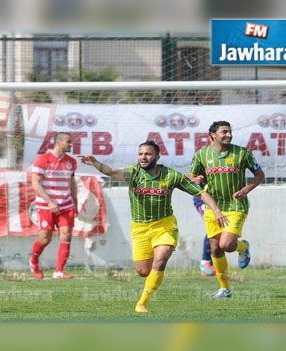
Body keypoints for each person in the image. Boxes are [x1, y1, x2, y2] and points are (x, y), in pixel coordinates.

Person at [80, 141, 227, 313]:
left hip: (164, 225)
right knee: (143, 271)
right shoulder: (133, 173)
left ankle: (142, 303)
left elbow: (200, 192)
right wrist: (96, 163)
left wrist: (216, 211)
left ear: (157, 156)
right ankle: (150, 283)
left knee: (161, 258)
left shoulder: (171, 176)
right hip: (140, 228)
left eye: (148, 154)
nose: (143, 157)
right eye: (141, 154)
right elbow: (111, 172)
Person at [189, 121, 265, 299]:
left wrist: (245, 190)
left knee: (227, 245)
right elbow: (191, 175)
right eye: (224, 132)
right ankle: (225, 289)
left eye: (230, 132)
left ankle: (243, 246)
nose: (228, 135)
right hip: (213, 206)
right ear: (212, 135)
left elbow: (259, 175)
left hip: (236, 206)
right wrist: (196, 178)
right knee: (216, 250)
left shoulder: (243, 153)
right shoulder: (202, 154)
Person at [28, 132, 78, 280]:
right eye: (68, 142)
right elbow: (35, 183)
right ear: (59, 142)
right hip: (46, 206)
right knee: (45, 239)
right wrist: (49, 201)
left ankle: (59, 271)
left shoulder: (71, 162)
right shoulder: (43, 159)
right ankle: (34, 261)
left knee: (66, 235)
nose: (71, 145)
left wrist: (75, 200)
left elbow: (72, 182)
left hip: (66, 204)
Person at [193, 191, 215, 277]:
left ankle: (211, 264)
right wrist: (194, 180)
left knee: (218, 229)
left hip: (220, 200)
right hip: (202, 199)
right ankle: (205, 263)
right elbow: (189, 178)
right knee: (212, 227)